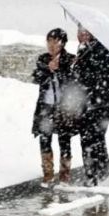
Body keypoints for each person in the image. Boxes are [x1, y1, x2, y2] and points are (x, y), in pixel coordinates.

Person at [31, 28, 77, 186]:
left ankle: (64, 175)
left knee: (64, 140)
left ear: (63, 43)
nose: (51, 45)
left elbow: (73, 83)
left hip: (63, 107)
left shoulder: (71, 59)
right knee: (45, 138)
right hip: (45, 106)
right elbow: (36, 77)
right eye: (49, 41)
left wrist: (61, 70)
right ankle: (48, 175)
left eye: (55, 42)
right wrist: (47, 69)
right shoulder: (43, 59)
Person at [72, 24, 109, 185]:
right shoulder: (85, 50)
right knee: (91, 138)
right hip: (91, 102)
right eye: (79, 32)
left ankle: (94, 173)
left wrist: (79, 66)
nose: (81, 35)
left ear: (92, 33)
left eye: (85, 32)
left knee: (92, 138)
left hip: (100, 103)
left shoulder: (100, 50)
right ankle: (97, 171)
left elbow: (95, 77)